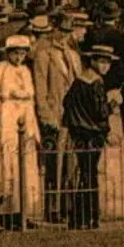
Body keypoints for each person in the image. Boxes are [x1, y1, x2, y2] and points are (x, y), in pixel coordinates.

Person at [0, 34, 42, 230]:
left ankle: (25, 212)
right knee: (10, 165)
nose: (19, 58)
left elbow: (31, 97)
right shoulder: (0, 69)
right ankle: (7, 214)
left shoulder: (26, 71)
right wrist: (0, 112)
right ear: (8, 53)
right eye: (16, 53)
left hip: (26, 118)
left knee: (27, 166)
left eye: (23, 54)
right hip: (8, 118)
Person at [61, 44, 116, 230]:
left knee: (85, 174)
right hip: (93, 134)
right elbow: (100, 112)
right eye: (101, 61)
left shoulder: (79, 80)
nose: (105, 66)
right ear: (93, 61)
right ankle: (87, 216)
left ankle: (81, 217)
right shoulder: (97, 83)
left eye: (107, 62)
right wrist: (113, 105)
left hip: (78, 132)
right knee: (89, 176)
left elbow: (66, 102)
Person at [31, 14, 79, 224]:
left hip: (73, 115)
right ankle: (52, 209)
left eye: (69, 32)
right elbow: (40, 88)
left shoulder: (73, 55)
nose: (64, 36)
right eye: (62, 31)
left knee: (71, 162)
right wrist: (46, 115)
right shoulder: (44, 55)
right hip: (55, 113)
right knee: (54, 163)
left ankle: (69, 205)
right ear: (54, 30)